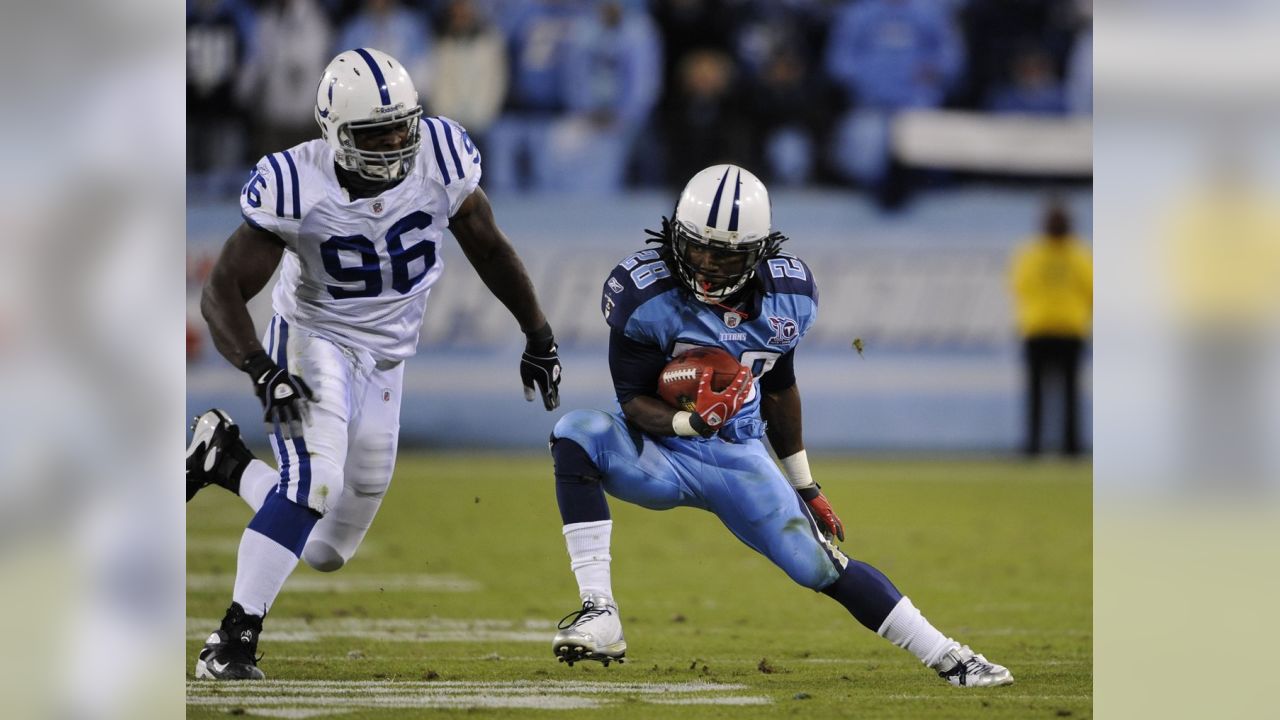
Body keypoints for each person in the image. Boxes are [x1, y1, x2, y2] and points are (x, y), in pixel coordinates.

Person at [546, 164, 1013, 687]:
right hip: (657, 447)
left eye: (724, 253)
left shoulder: (790, 296)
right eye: (696, 246)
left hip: (738, 456)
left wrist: (805, 485)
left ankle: (950, 658)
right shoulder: (645, 296)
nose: (705, 263)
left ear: (758, 251)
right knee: (577, 434)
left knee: (820, 566)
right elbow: (632, 399)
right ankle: (600, 612)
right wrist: (688, 421)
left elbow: (779, 386)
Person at [184, 47, 563, 681]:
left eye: (401, 126)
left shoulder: (440, 156)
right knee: (314, 482)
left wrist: (539, 334)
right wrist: (259, 367)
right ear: (334, 132)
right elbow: (221, 289)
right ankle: (231, 641)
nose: (393, 143)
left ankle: (222, 459)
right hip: (315, 338)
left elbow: (490, 248)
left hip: (389, 356)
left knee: (328, 548)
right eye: (374, 132)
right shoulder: (296, 181)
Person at [1009, 200, 1092, 456]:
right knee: (1068, 394)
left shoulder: (1031, 255)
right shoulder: (1078, 255)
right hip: (1068, 328)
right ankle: (1070, 447)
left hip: (1039, 328)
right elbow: (1091, 290)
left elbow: (1018, 286)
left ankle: (1034, 447)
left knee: (1038, 394)